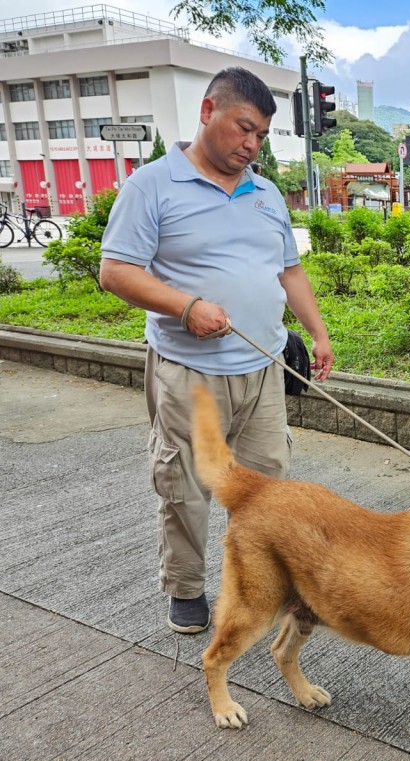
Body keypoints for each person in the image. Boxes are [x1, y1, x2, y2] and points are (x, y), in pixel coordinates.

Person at [99, 67, 334, 634]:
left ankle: (265, 582)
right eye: (242, 129)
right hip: (189, 373)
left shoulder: (265, 190)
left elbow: (289, 269)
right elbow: (114, 272)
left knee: (269, 489)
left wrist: (319, 332)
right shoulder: (150, 185)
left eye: (260, 136)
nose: (251, 145)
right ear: (208, 112)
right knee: (185, 486)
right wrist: (185, 306)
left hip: (263, 368)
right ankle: (184, 588)